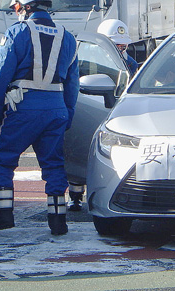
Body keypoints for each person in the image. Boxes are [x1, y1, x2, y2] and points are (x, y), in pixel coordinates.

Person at [0, 0, 79, 235]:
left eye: (16, 6)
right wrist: (67, 114)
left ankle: (3, 215)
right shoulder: (67, 37)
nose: (16, 11)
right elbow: (72, 84)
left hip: (23, 108)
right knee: (54, 165)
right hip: (56, 109)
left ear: (25, 5)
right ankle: (58, 221)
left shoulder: (17, 32)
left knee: (2, 161)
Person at [65, 19, 138, 212]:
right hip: (91, 108)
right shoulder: (84, 61)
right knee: (79, 150)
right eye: (117, 45)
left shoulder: (130, 64)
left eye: (124, 45)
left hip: (115, 113)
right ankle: (75, 194)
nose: (121, 49)